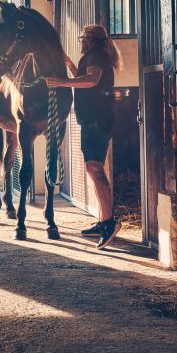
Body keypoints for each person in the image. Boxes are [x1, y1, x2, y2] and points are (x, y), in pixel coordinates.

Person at [45, 24, 122, 249]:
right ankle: (103, 220)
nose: (81, 41)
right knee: (94, 168)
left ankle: (109, 223)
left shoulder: (96, 56)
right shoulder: (92, 56)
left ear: (90, 40)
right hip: (93, 120)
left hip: (97, 120)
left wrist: (62, 82)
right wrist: (68, 63)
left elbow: (92, 80)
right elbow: (84, 76)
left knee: (94, 169)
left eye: (83, 38)